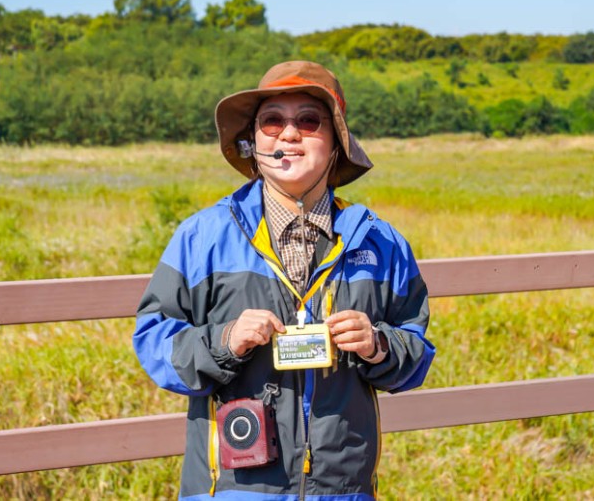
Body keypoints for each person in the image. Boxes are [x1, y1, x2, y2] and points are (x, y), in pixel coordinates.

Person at [134, 61, 435, 499]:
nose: (288, 134)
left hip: (342, 489)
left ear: (335, 143)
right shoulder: (202, 237)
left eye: (308, 121)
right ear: (252, 142)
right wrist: (226, 341)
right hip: (233, 489)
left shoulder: (381, 242)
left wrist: (377, 344)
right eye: (271, 121)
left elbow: (416, 351)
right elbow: (154, 341)